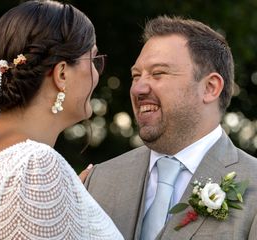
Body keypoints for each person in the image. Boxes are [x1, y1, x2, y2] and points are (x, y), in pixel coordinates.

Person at [0, 1, 124, 239]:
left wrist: (69, 199)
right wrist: (46, 184)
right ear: (62, 74)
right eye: (94, 60)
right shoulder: (34, 167)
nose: (98, 74)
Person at [85, 15, 257, 240]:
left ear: (210, 88)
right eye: (136, 76)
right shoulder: (99, 180)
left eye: (158, 73)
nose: (138, 89)